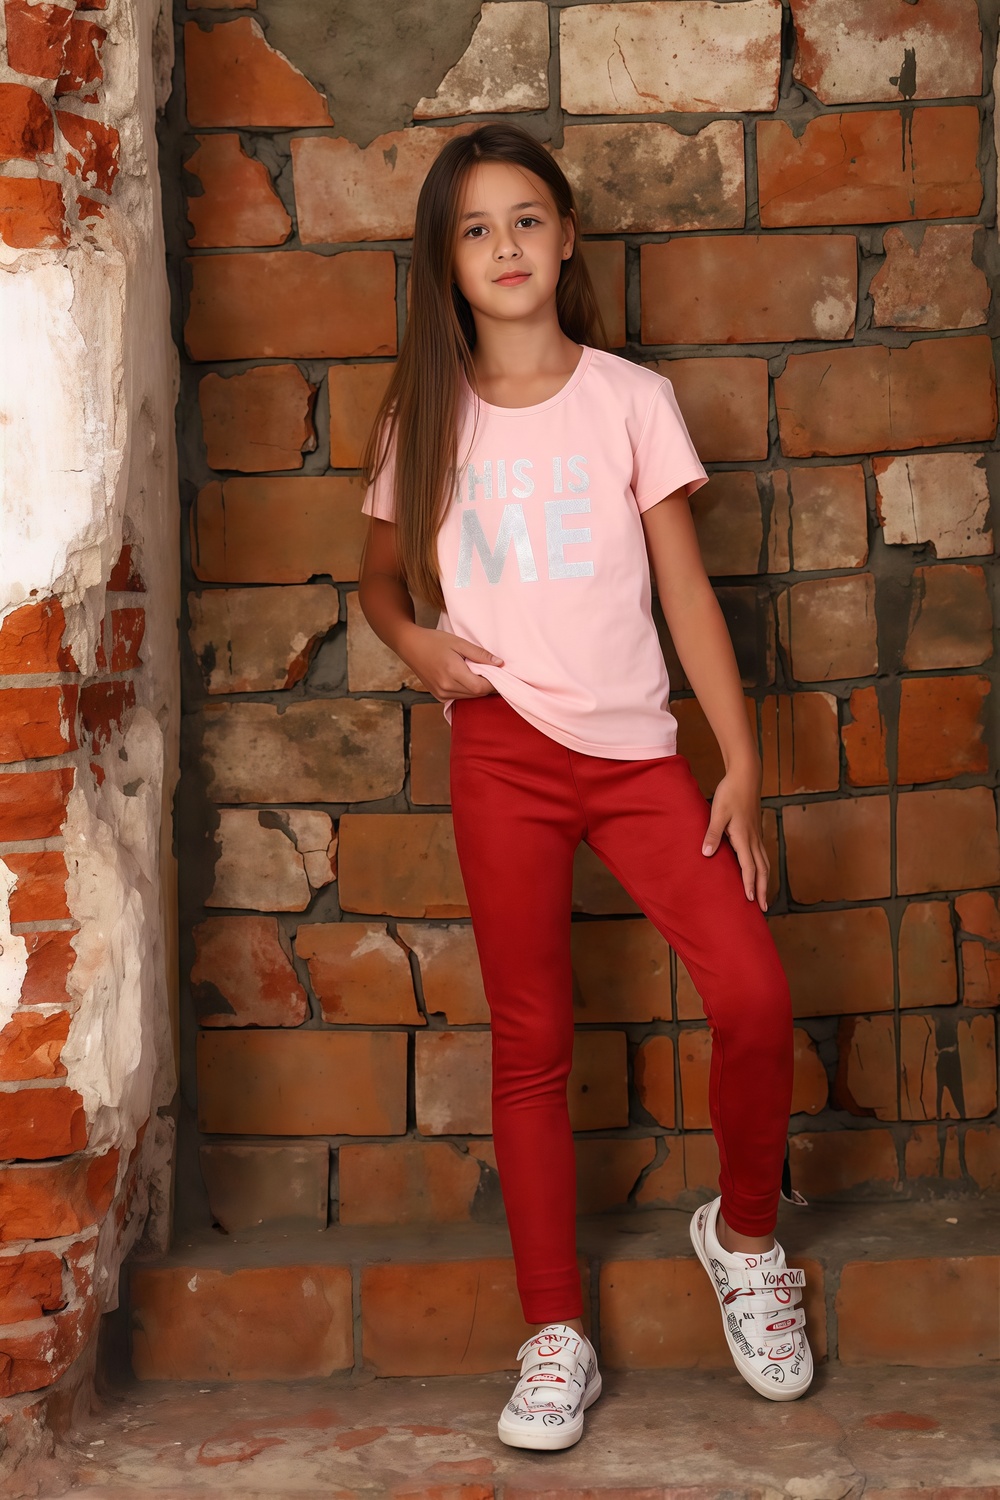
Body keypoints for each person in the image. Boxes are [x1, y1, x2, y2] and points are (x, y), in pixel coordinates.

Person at [357, 122, 813, 1450]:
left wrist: (741, 766)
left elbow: (685, 592)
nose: (505, 246)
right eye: (475, 229)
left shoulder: (629, 399)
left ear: (565, 239)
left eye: (526, 220)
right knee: (532, 1041)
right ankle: (553, 1329)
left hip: (635, 757)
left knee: (753, 991)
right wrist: (418, 647)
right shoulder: (424, 414)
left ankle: (745, 1241)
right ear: (447, 263)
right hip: (500, 753)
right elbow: (378, 585)